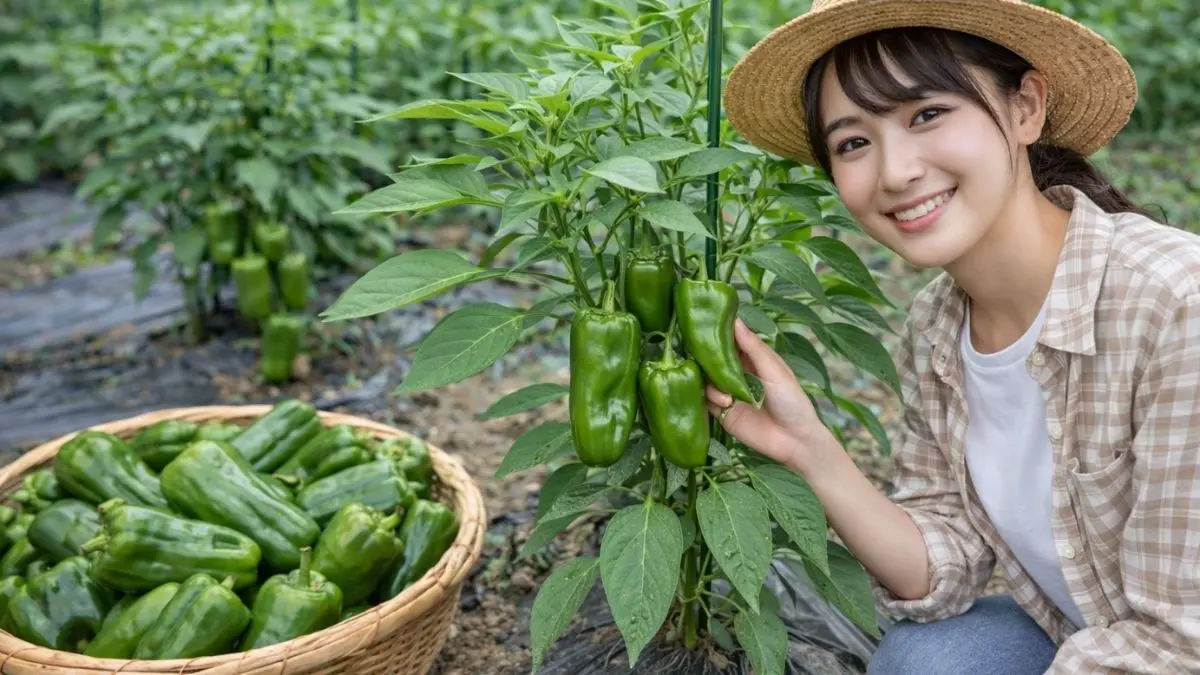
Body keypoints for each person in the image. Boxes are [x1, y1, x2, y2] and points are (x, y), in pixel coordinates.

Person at [714, 1, 1200, 673]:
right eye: (853, 141)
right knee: (932, 657)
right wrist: (808, 450)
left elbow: (1181, 641)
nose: (894, 171)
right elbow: (944, 561)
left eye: (927, 114)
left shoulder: (1176, 306)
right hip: (1100, 637)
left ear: (1026, 107)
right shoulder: (939, 326)